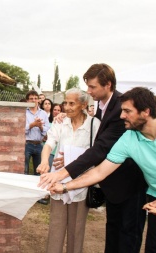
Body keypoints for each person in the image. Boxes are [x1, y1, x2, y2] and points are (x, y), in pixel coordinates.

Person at [39, 63, 147, 253]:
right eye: (87, 87)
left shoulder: (121, 106)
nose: (89, 91)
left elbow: (100, 148)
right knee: (113, 233)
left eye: (92, 87)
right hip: (111, 185)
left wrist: (64, 171)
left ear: (108, 85)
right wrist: (66, 114)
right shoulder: (102, 105)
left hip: (129, 184)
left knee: (127, 236)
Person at [49, 87, 156, 253]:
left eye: (127, 111)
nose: (121, 116)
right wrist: (64, 186)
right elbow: (99, 172)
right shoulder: (128, 138)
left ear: (146, 112)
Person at [37, 88, 100, 253]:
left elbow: (96, 155)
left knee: (76, 231)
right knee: (55, 229)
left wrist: (71, 159)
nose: (67, 107)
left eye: (72, 103)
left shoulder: (94, 125)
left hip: (80, 185)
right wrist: (44, 161)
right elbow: (50, 143)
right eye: (65, 102)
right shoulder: (60, 121)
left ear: (84, 104)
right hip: (57, 183)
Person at [24, 90, 50, 176]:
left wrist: (40, 126)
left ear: (39, 100)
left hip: (39, 144)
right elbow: (21, 129)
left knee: (39, 171)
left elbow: (47, 129)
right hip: (27, 144)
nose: (34, 100)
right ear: (27, 100)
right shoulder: (24, 112)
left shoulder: (43, 113)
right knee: (24, 169)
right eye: (31, 99)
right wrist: (32, 125)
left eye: (36, 98)